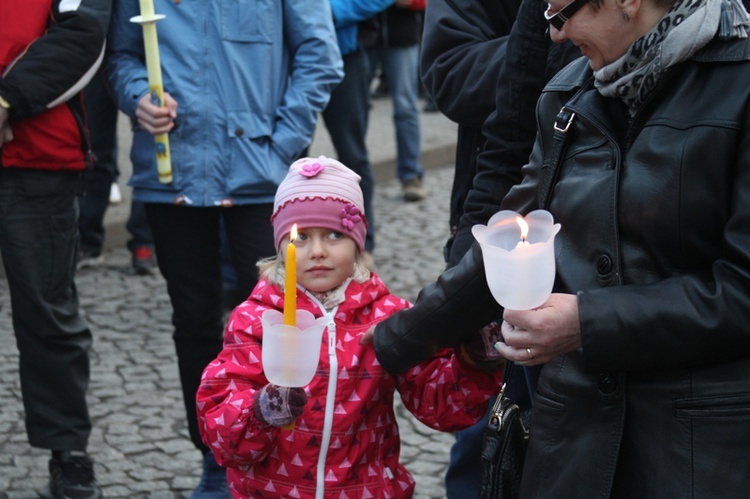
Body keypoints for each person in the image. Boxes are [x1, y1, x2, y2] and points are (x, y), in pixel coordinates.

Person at [368, 0, 750, 494]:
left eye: (561, 13)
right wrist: (386, 343)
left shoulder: (738, 82)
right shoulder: (570, 92)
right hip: (573, 445)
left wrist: (585, 323)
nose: (554, 35)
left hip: (698, 453)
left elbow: (741, 291)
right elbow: (503, 243)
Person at [106, 2, 343, 496]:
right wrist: (137, 98)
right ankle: (216, 457)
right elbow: (121, 57)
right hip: (171, 178)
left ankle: (290, 455)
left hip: (260, 179)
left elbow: (320, 55)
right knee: (192, 323)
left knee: (282, 320)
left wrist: (281, 145)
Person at [195, 155, 503, 498]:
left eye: (333, 235)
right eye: (301, 238)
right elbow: (221, 426)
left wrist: (474, 362)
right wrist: (261, 411)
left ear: (358, 242)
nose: (317, 251)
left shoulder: (387, 316)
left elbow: (441, 405)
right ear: (280, 245)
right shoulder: (255, 320)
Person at [0, 0, 111, 497]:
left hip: (37, 158)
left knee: (48, 313)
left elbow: (83, 34)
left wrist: (4, 101)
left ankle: (67, 448)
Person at [316, 0, 396, 270]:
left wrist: (325, 10)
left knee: (353, 158)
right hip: (288, 60)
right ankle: (292, 245)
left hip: (344, 56)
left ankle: (362, 244)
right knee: (289, 162)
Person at [78, 68, 157, 275]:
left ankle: (144, 242)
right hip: (97, 55)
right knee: (93, 148)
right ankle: (86, 240)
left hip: (142, 54)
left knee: (151, 148)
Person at [364, 0, 427, 202]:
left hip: (402, 35)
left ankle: (411, 175)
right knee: (355, 111)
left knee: (405, 108)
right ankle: (351, 178)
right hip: (362, 36)